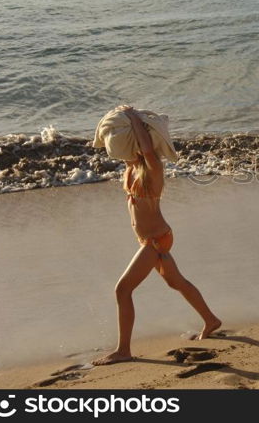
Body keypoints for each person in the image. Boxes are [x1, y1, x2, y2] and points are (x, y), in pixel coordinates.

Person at [93, 106, 222, 365]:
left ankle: (124, 350)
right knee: (177, 283)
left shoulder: (153, 170)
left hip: (156, 240)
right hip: (151, 239)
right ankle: (211, 320)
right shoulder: (131, 168)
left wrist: (133, 120)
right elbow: (127, 148)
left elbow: (148, 151)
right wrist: (122, 125)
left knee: (122, 290)